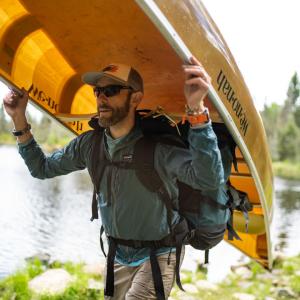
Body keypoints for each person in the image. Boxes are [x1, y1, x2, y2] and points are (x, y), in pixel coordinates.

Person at [3, 56, 224, 300]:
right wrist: (18, 118)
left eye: (112, 90)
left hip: (160, 254)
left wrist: (196, 110)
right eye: (98, 90)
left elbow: (208, 180)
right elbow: (41, 168)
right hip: (117, 255)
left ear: (136, 98)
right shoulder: (90, 145)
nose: (101, 97)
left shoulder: (159, 148)